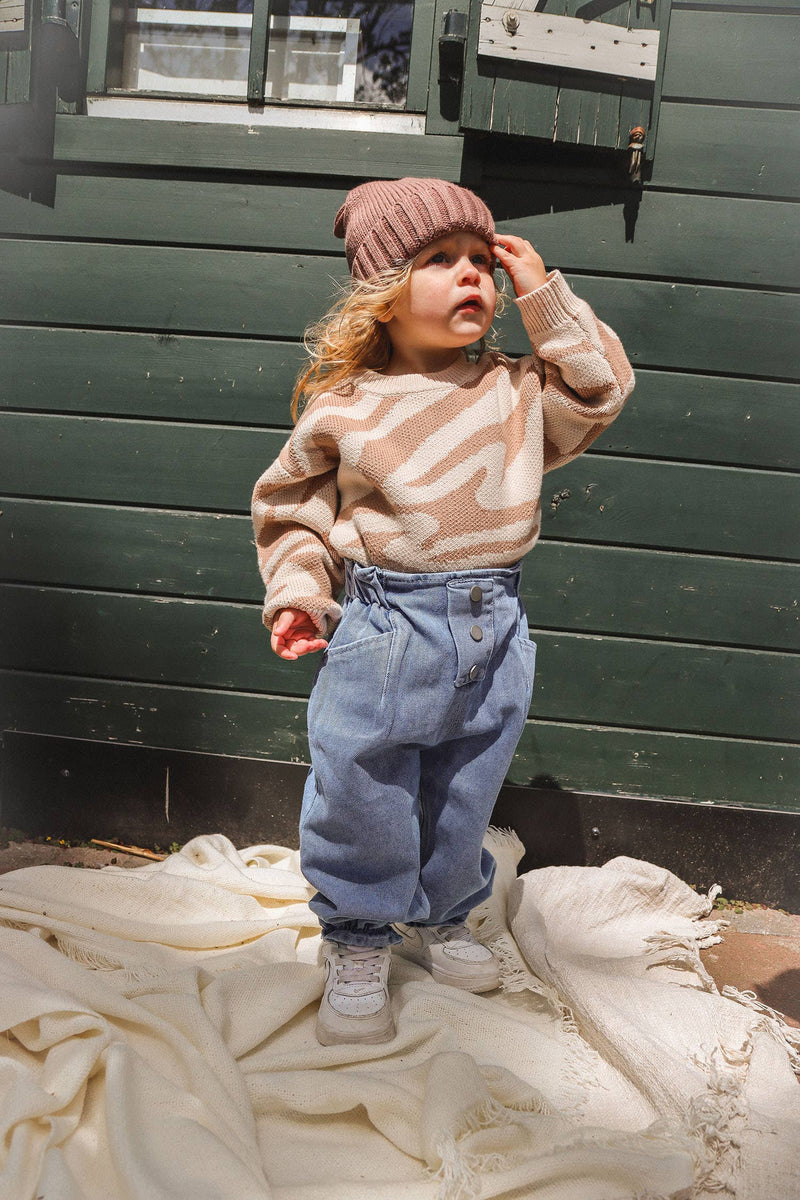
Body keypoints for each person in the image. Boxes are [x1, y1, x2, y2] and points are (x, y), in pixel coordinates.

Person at [251, 177, 634, 1046]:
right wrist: (301, 593)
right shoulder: (346, 411)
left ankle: (444, 911)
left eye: (480, 261)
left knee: (466, 788)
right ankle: (355, 938)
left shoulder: (518, 392)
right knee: (364, 787)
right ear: (384, 295)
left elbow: (603, 387)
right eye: (439, 261)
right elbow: (293, 514)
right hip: (387, 625)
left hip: (495, 626)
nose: (473, 276)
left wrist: (544, 294)